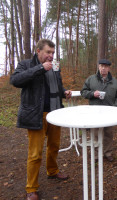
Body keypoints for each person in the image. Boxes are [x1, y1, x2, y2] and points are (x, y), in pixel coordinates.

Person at [10, 39, 72, 200]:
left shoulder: (55, 67)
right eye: (48, 52)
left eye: (53, 53)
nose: (51, 56)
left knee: (54, 146)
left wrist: (64, 92)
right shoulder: (26, 65)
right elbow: (15, 81)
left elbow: (56, 86)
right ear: (38, 51)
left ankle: (52, 171)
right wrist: (40, 68)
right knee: (35, 153)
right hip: (36, 115)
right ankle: (31, 187)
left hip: (55, 114)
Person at [80, 59, 117, 162]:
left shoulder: (114, 82)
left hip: (109, 112)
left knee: (108, 133)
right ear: (98, 67)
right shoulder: (91, 79)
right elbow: (83, 92)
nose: (103, 68)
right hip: (95, 112)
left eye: (105, 66)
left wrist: (115, 107)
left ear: (109, 68)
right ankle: (95, 155)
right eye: (101, 66)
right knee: (95, 134)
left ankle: (107, 153)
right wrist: (92, 94)